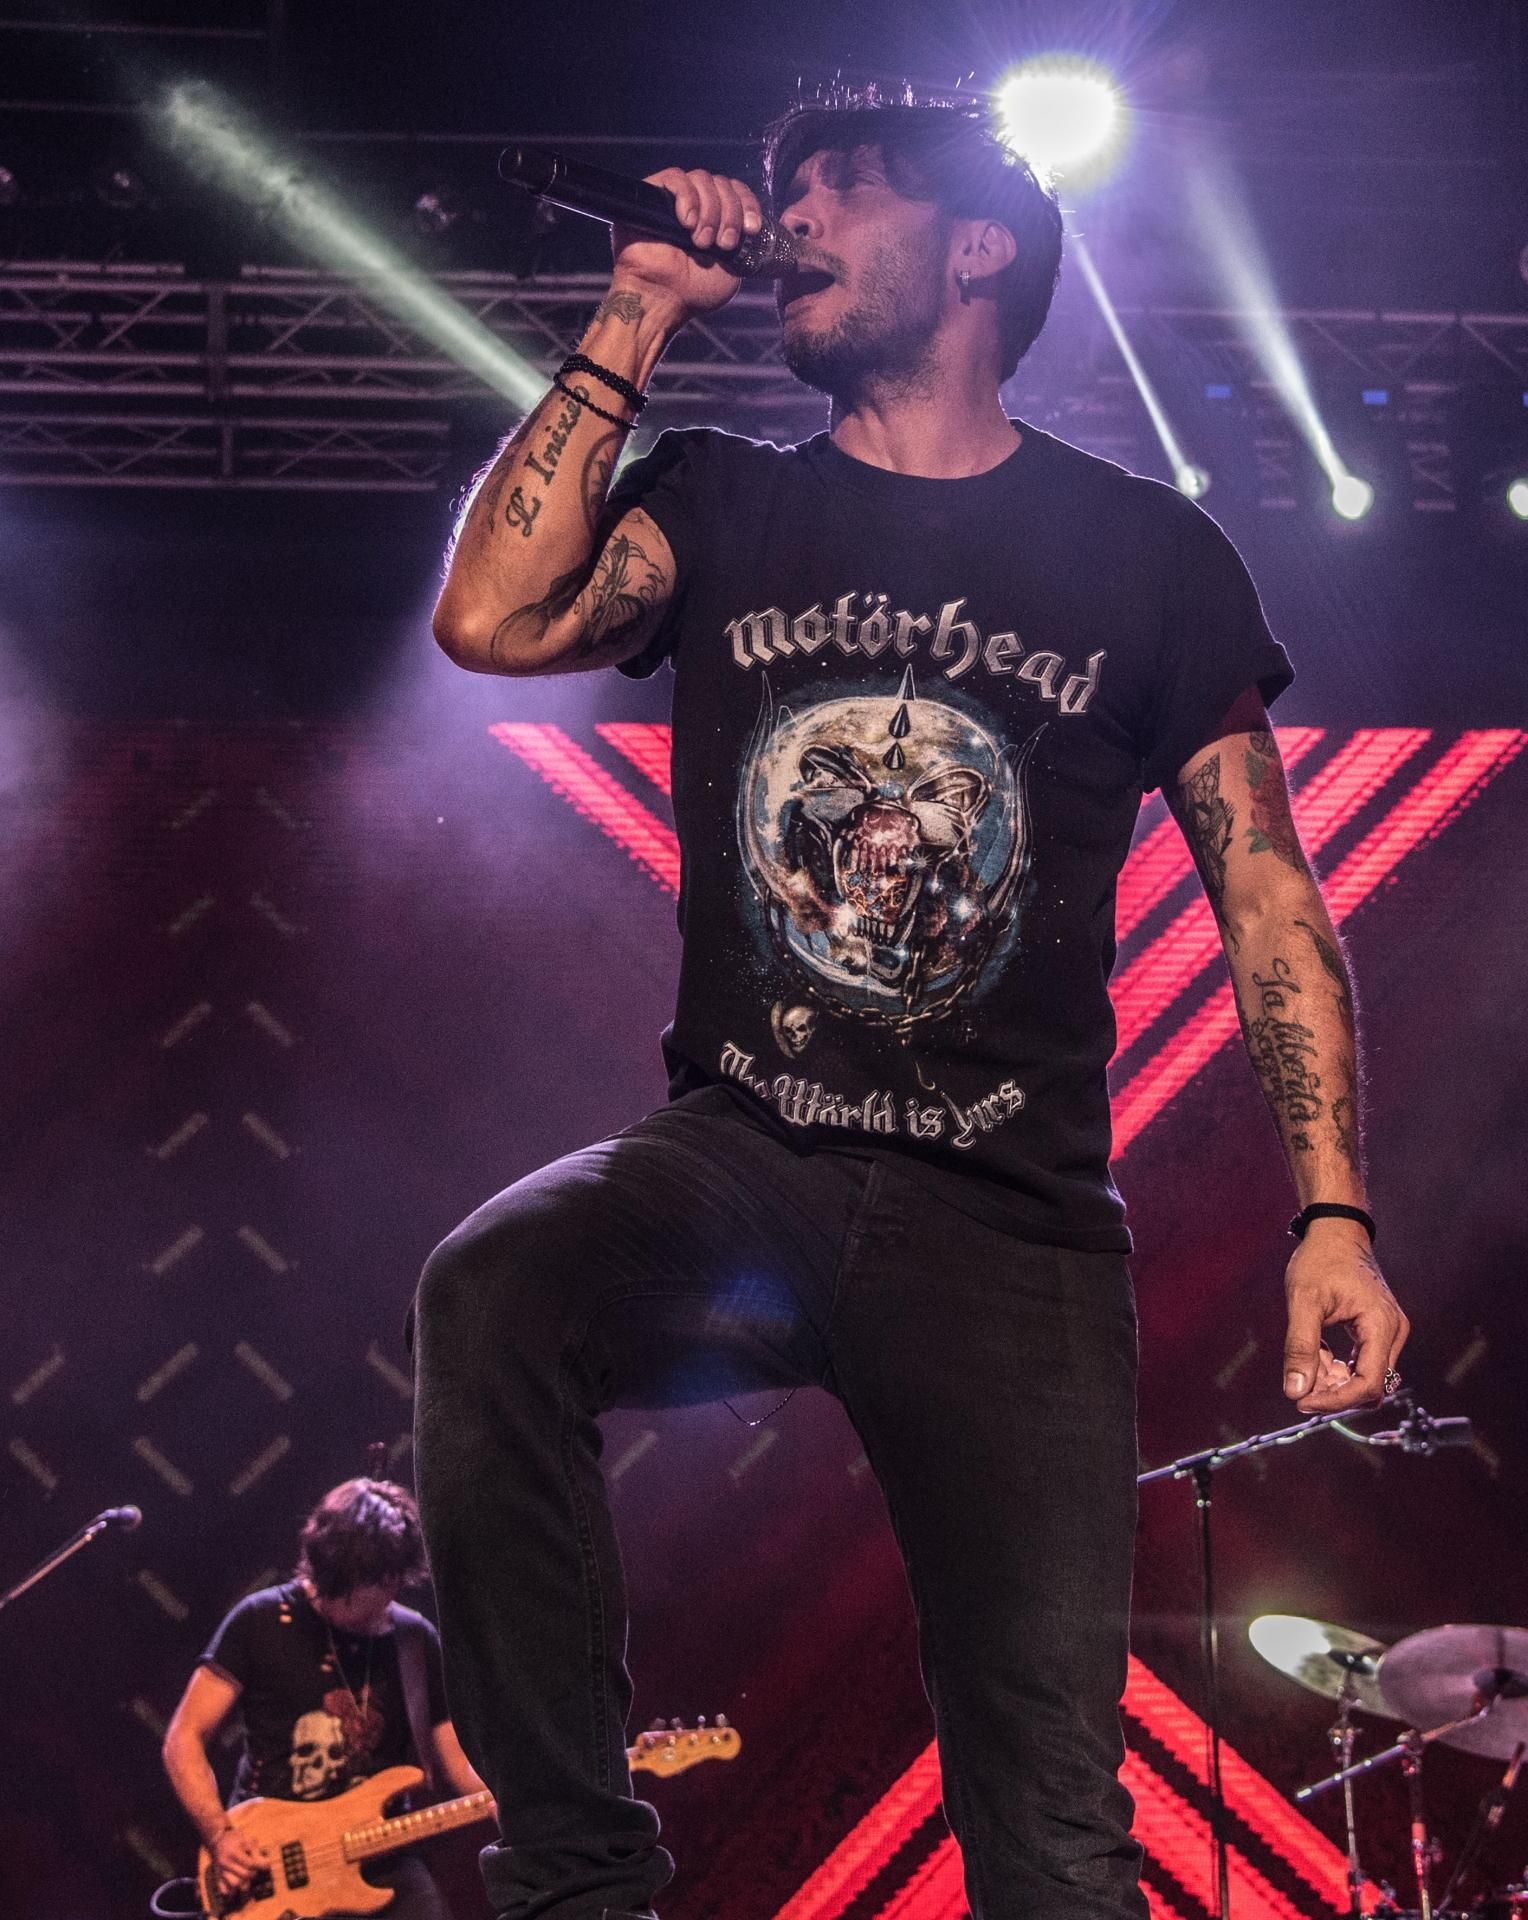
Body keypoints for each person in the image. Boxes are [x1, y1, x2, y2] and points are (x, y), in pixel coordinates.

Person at [412, 96, 1409, 1920]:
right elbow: (488, 623)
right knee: (493, 1291)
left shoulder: (1145, 557)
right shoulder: (724, 497)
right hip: (743, 1158)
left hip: (1007, 1227)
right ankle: (577, 1885)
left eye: (838, 194)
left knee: (1052, 1830)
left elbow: (1268, 890)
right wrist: (637, 306)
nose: (786, 220)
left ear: (976, 251)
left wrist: (1330, 1217)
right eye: (782, 193)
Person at [163, 1477, 487, 1918]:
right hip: (272, 1862)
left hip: (383, 1856)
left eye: (381, 1583)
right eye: (335, 1586)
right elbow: (184, 1737)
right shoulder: (260, 1621)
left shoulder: (413, 1640)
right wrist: (220, 1836)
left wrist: (507, 1799)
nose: (333, 1601)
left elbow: (457, 1759)